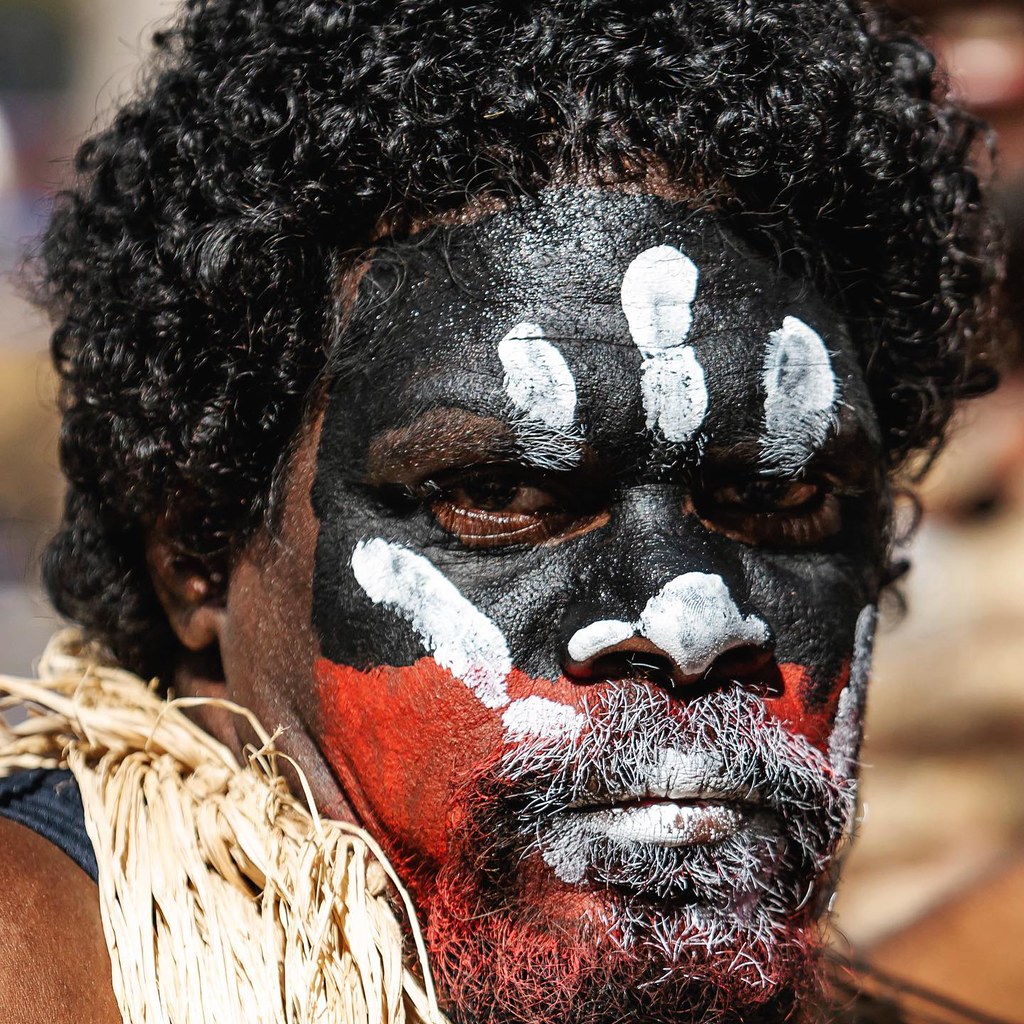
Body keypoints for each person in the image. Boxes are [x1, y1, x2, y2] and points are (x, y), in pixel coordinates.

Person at [0, 2, 1003, 1022]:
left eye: (781, 497)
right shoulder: (43, 960)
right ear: (199, 551)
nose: (693, 625)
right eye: (500, 496)